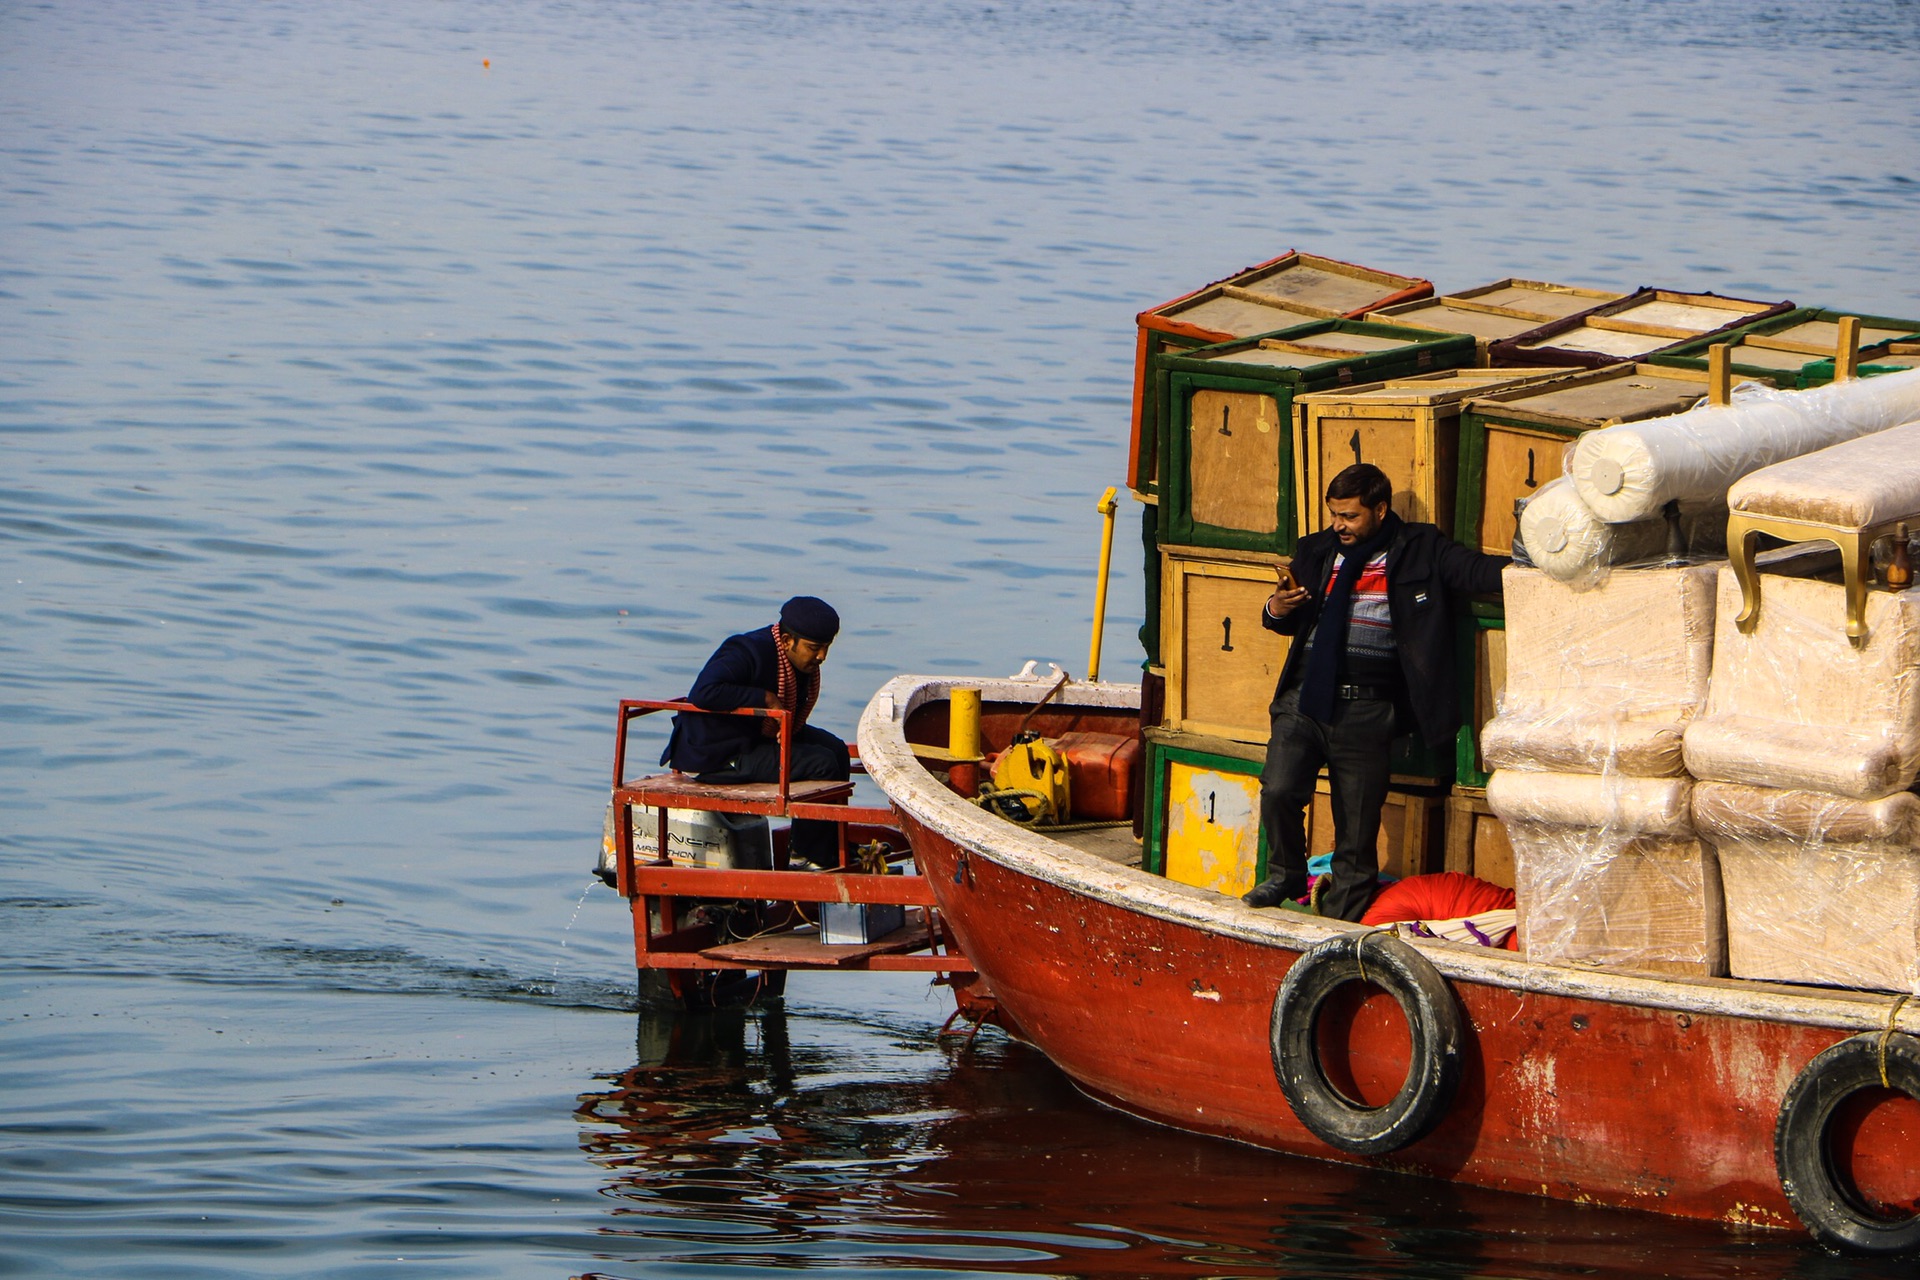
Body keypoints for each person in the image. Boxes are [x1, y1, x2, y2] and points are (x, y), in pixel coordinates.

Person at [1242, 464, 1506, 921]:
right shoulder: (1317, 550)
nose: (1339, 526)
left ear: (1380, 510)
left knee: (1357, 828)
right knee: (1279, 789)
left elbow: (1478, 572)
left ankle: (1339, 924)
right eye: (1334, 515)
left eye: (1349, 516)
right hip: (1304, 699)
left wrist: (1541, 564)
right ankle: (1285, 872)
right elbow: (1280, 618)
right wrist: (1274, 606)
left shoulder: (1422, 549)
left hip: (1367, 708)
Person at [661, 596, 850, 868]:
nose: (821, 656)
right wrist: (764, 698)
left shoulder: (798, 662)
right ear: (787, 641)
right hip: (718, 753)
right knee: (822, 764)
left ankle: (830, 847)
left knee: (836, 751)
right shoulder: (746, 650)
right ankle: (805, 856)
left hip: (754, 739)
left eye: (826, 648)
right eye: (814, 648)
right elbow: (704, 693)